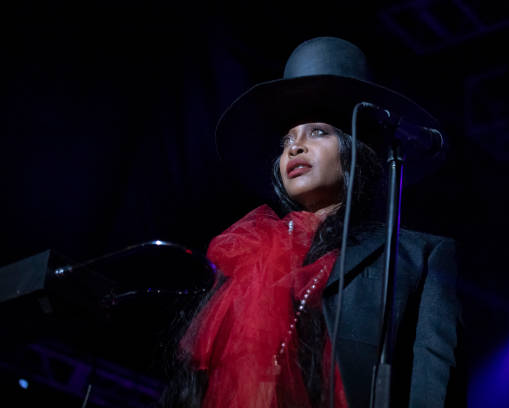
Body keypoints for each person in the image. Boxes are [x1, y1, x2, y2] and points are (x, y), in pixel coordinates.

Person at [157, 36, 466, 408]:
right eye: (287, 139)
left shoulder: (421, 256)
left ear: (357, 150)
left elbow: (433, 385)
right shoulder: (247, 254)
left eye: (317, 131)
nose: (295, 147)